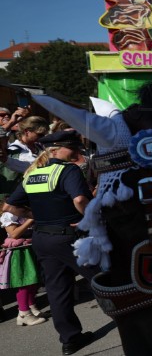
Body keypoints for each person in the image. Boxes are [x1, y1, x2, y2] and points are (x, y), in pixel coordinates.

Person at [2, 130, 99, 355]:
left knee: (57, 289)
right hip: (69, 237)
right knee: (104, 280)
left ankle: (70, 340)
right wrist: (90, 219)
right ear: (56, 149)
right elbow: (80, 199)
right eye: (72, 147)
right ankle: (133, 325)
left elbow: (10, 207)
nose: (76, 151)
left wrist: (38, 215)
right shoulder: (68, 170)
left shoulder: (32, 174)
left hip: (43, 238)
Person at [1, 209, 47, 326]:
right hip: (19, 252)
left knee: (33, 281)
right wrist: (31, 219)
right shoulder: (9, 215)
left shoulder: (24, 211)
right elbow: (14, 234)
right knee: (24, 282)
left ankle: (32, 307)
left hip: (30, 247)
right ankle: (24, 314)